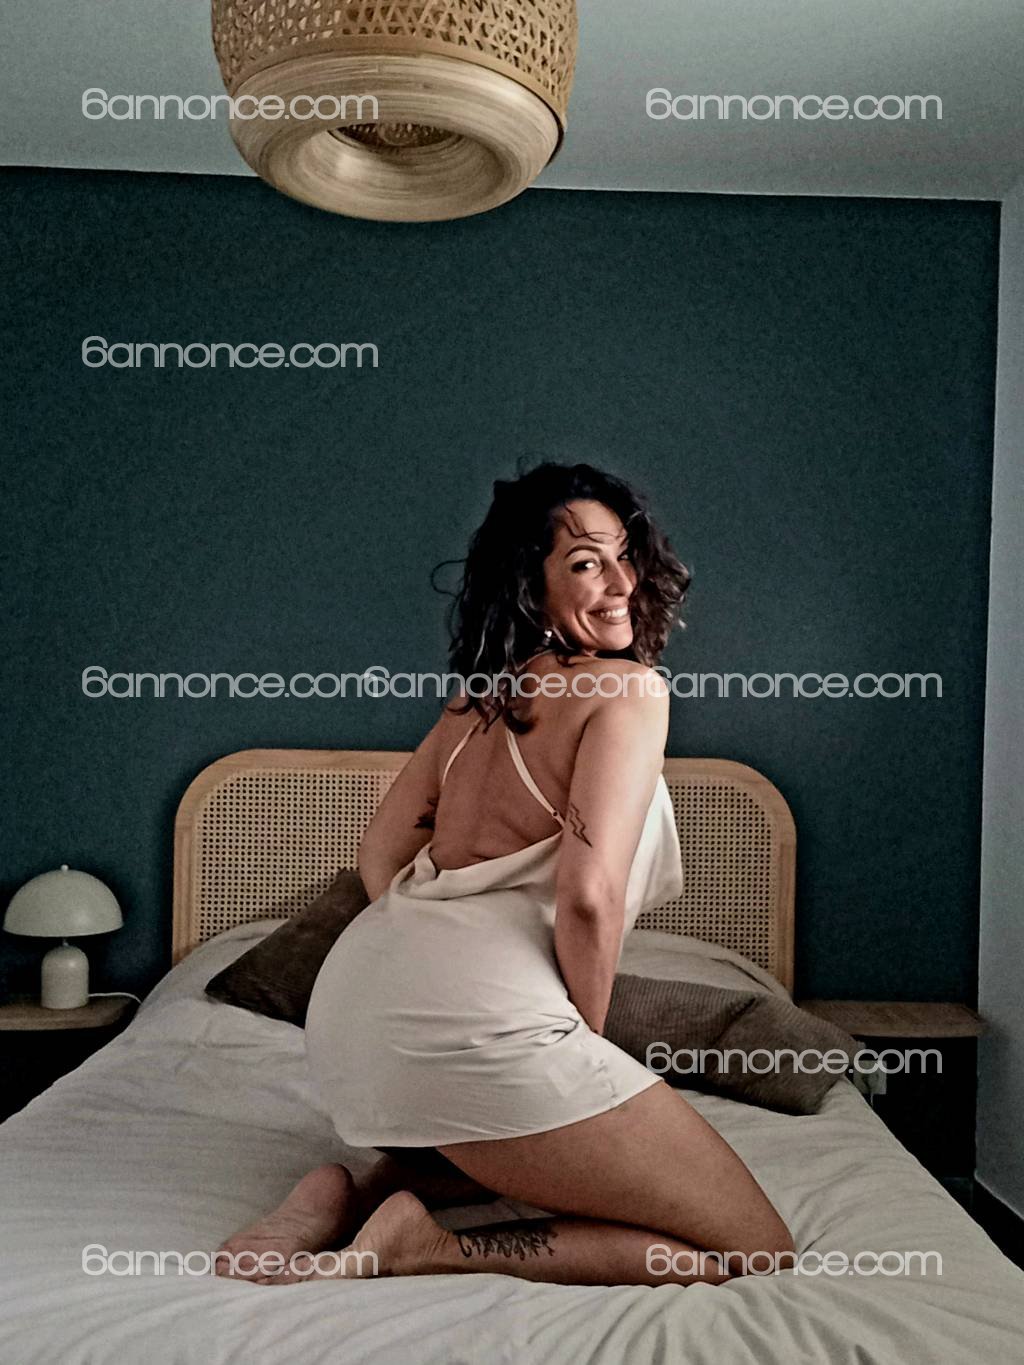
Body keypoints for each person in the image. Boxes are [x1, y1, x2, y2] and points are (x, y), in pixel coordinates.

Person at [215, 462, 796, 1287]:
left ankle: (352, 1195)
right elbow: (588, 897)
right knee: (757, 1248)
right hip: (473, 1027)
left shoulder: (474, 703)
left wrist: (430, 959)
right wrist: (584, 1039)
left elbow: (379, 855)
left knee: (514, 1143)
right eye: (586, 563)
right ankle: (427, 1244)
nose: (620, 584)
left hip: (353, 1015)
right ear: (532, 584)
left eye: (625, 557)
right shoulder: (629, 691)